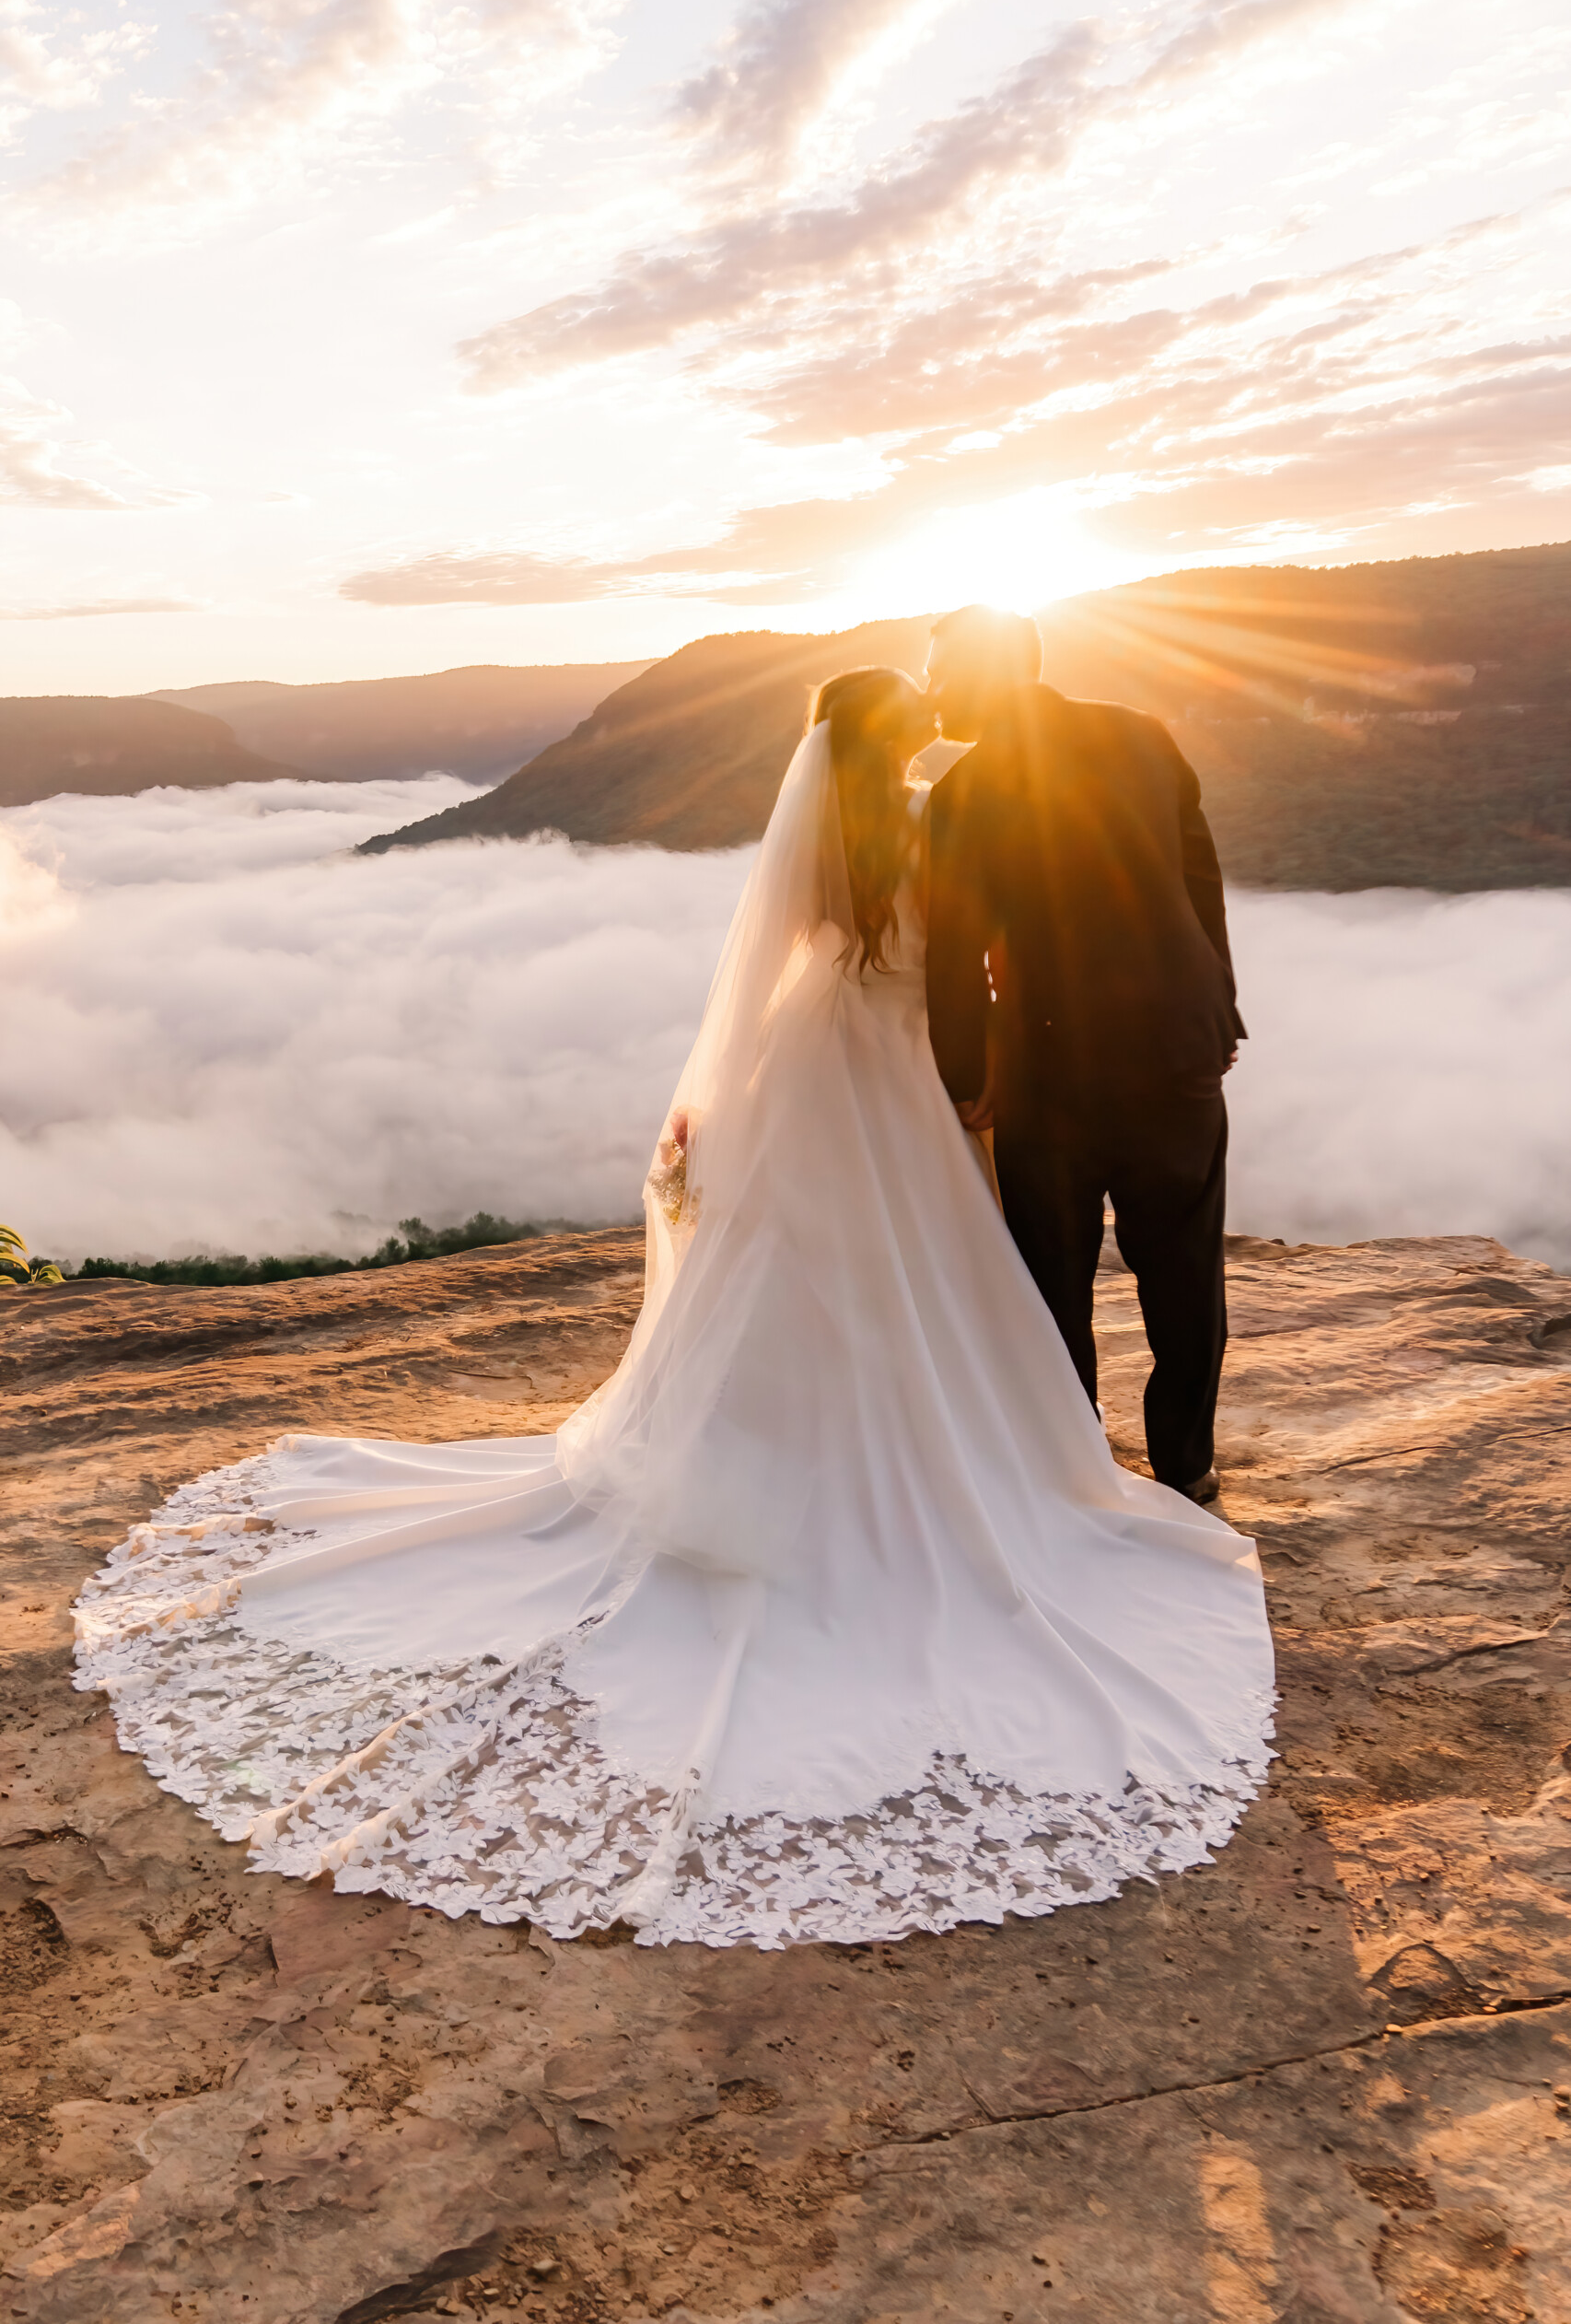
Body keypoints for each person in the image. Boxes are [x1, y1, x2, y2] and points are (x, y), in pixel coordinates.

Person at [75, 665, 1273, 1952]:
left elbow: (794, 969)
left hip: (820, 1060)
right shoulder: (1002, 784)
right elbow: (1001, 950)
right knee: (1052, 1271)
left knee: (869, 1271)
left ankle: (934, 1447)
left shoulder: (874, 821)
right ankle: (1084, 1458)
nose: (941, 709)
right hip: (994, 1065)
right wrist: (1006, 1073)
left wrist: (746, 1104)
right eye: (921, 702)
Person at [925, 606, 1244, 1503]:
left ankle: (1071, 1468)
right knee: (1183, 1269)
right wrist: (1216, 1010)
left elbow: (954, 948)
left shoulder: (965, 790)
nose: (932, 689)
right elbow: (1198, 880)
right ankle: (1184, 1466)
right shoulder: (1141, 739)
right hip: (1176, 1051)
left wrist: (963, 1076)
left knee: (1051, 1277)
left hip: (1046, 1066)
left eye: (942, 670)